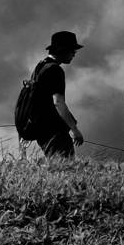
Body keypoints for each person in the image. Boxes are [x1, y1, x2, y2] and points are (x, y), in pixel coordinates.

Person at [30, 30, 85, 158]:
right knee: (66, 169)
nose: (74, 54)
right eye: (73, 51)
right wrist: (74, 129)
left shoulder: (40, 66)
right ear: (63, 50)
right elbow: (58, 102)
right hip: (53, 130)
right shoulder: (55, 70)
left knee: (57, 168)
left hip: (40, 129)